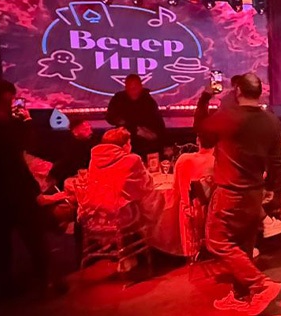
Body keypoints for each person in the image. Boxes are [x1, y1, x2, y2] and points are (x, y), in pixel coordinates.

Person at [199, 73, 281, 313]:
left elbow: (203, 134)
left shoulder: (229, 117)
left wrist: (205, 98)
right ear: (260, 92)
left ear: (238, 91)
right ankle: (240, 295)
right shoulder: (272, 121)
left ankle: (261, 285)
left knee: (217, 241)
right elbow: (277, 161)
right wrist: (273, 191)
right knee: (243, 244)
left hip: (230, 192)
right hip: (254, 192)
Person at [0, 80, 63, 299]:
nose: (13, 102)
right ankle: (37, 283)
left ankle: (10, 286)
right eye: (10, 98)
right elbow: (24, 145)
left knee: (4, 241)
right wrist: (26, 122)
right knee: (26, 239)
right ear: (1, 99)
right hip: (8, 192)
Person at [77, 128, 159, 273]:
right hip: (120, 217)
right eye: (130, 142)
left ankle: (127, 254)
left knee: (123, 201)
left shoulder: (94, 160)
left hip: (93, 217)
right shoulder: (132, 159)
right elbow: (145, 186)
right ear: (125, 144)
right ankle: (159, 249)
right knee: (145, 205)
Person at [174, 131, 216, 258]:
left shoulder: (184, 160)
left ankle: (191, 256)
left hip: (191, 215)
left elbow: (176, 188)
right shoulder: (219, 161)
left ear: (198, 140)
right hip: (214, 214)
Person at [106, 74, 166, 156]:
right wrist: (122, 123)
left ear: (141, 86)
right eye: (130, 87)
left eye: (135, 86)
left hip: (145, 142)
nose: (133, 89)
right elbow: (109, 117)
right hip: (124, 140)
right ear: (126, 87)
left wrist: (150, 134)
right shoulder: (118, 99)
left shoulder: (148, 101)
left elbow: (158, 123)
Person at [50, 117, 96, 188]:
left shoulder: (94, 144)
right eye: (85, 129)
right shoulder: (67, 147)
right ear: (75, 132)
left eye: (90, 128)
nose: (90, 132)